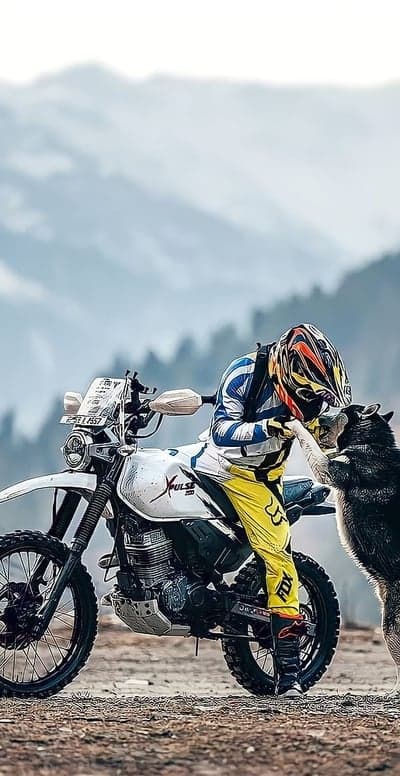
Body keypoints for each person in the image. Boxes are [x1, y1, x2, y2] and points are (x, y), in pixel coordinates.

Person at [193, 323, 351, 697]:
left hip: (258, 482)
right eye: (306, 391)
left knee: (279, 559)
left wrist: (345, 432)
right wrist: (270, 426)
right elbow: (222, 431)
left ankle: (289, 673)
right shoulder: (244, 372)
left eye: (318, 395)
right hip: (217, 463)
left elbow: (321, 435)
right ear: (287, 368)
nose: (310, 401)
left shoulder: (310, 397)